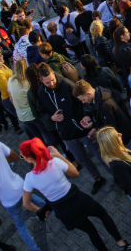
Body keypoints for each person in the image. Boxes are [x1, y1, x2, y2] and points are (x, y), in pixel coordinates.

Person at [19, 138, 131, 251]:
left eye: (22, 157)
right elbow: (75, 174)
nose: (23, 159)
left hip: (63, 212)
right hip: (78, 200)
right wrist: (59, 155)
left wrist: (41, 211)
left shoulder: (29, 179)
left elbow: (26, 204)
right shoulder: (55, 163)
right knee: (102, 214)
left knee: (91, 231)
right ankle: (122, 244)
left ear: (29, 158)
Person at [34, 64, 108, 194]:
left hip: (82, 129)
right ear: (41, 80)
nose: (51, 83)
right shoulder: (41, 93)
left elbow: (82, 100)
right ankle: (98, 178)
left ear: (53, 73)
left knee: (99, 153)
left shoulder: (65, 84)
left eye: (52, 80)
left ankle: (115, 174)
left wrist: (86, 115)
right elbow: (40, 112)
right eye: (47, 82)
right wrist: (51, 117)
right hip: (66, 134)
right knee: (82, 159)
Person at [0, 138, 41, 251]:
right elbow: (15, 156)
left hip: (8, 200)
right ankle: (58, 213)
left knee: (21, 226)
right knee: (40, 203)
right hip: (20, 187)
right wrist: (1, 163)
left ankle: (35, 249)